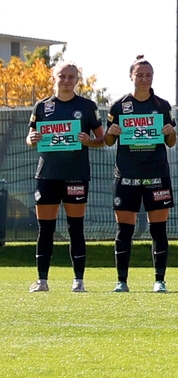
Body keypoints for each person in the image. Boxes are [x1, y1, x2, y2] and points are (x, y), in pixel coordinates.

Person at [25, 60, 104, 292]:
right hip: (47, 175)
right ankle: (42, 281)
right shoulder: (41, 106)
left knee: (75, 227)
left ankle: (78, 281)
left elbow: (104, 138)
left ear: (77, 80)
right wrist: (32, 139)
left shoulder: (87, 106)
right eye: (62, 76)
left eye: (71, 77)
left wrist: (89, 141)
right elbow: (30, 137)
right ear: (54, 78)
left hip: (76, 175)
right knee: (45, 228)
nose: (67, 81)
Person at [103, 56, 178, 293]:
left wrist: (170, 132)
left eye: (148, 75)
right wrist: (111, 132)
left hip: (156, 174)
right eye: (140, 75)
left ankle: (159, 280)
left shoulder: (162, 105)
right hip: (127, 176)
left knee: (158, 230)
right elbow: (107, 140)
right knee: (124, 230)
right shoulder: (119, 106)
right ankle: (121, 281)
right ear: (131, 76)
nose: (144, 79)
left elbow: (171, 142)